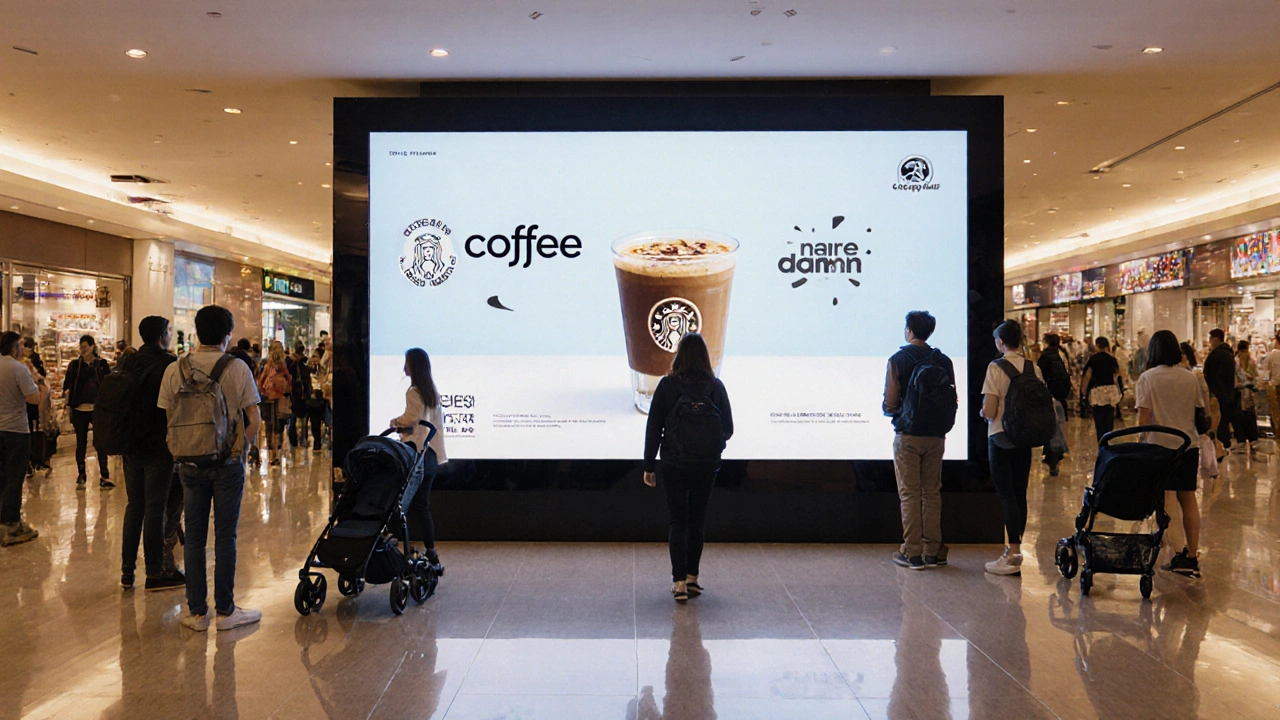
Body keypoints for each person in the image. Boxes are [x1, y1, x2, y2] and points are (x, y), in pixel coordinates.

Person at [158, 305, 263, 631]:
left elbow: (169, 418)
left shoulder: (175, 369)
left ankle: (196, 612)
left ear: (197, 331)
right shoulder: (237, 368)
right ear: (227, 334)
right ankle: (227, 611)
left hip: (189, 463)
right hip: (228, 464)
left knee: (194, 538)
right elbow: (255, 419)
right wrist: (240, 448)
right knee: (225, 537)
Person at [642, 333, 734, 602]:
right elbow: (727, 430)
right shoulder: (716, 387)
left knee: (677, 521)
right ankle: (693, 577)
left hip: (673, 464)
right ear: (705, 357)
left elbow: (654, 428)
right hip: (706, 465)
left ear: (678, 355)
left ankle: (679, 582)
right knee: (697, 520)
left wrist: (649, 464)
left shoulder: (667, 386)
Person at [882, 311, 955, 570]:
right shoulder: (944, 361)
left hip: (908, 436)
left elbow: (890, 403)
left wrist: (894, 408)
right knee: (931, 493)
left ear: (909, 330)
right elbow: (952, 399)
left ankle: (912, 553)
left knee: (909, 494)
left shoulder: (898, 359)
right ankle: (932, 551)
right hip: (936, 436)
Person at [119, 316, 185, 591]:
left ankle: (126, 572)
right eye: (169, 331)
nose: (171, 335)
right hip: (158, 445)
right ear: (161, 336)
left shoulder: (129, 362)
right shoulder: (169, 364)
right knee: (155, 508)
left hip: (130, 445)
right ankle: (155, 572)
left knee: (135, 506)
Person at [1136, 330, 1204, 579]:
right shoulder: (1190, 378)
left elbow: (1144, 420)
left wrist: (1139, 446)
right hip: (1188, 445)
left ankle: (1178, 552)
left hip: (1159, 448)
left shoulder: (1147, 378)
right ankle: (1193, 555)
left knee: (1166, 500)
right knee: (1188, 499)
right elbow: (1198, 412)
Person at [980, 320, 1044, 576]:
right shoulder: (1033, 368)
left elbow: (991, 410)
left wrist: (983, 412)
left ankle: (1013, 552)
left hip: (1000, 437)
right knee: (1020, 493)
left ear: (1000, 342)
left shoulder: (995, 368)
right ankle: (1015, 549)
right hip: (1025, 437)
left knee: (1006, 493)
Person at [390, 348, 448, 574]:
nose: (404, 368)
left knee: (400, 504)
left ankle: (397, 545)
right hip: (432, 455)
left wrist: (395, 422)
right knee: (422, 506)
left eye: (406, 363)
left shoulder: (413, 391)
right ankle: (431, 551)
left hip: (416, 455)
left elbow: (412, 419)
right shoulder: (431, 391)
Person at [0, 332, 43, 546]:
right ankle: (12, 524)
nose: (22, 349)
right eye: (20, 345)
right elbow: (33, 398)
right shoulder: (18, 368)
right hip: (16, 430)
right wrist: (41, 383)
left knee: (1, 476)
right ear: (13, 347)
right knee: (14, 478)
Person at [64, 334, 113, 488]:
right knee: (81, 442)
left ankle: (104, 475)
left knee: (100, 441)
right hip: (79, 408)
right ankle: (81, 474)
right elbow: (67, 385)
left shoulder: (101, 364)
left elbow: (108, 385)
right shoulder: (75, 365)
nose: (83, 350)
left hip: (97, 408)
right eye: (81, 347)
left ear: (92, 346)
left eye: (85, 347)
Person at [1036, 333, 1072, 475]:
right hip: (1061, 397)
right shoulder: (1062, 354)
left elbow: (1038, 377)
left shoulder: (1045, 357)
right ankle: (1055, 455)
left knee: (1051, 430)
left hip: (1049, 397)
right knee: (1057, 428)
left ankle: (1053, 457)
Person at [1203, 329, 1243, 453]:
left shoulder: (1215, 355)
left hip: (1218, 392)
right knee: (1228, 417)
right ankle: (1230, 442)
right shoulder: (1229, 353)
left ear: (1215, 339)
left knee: (1220, 420)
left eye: (1210, 339)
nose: (1210, 342)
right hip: (1229, 391)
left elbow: (1208, 375)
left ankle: (1223, 445)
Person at [255, 341, 292, 466]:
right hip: (279, 399)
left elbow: (261, 380)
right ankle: (277, 453)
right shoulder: (282, 365)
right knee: (279, 426)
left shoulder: (267, 364)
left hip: (268, 399)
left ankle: (273, 453)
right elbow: (289, 380)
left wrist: (263, 391)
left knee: (270, 426)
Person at [1082, 337, 1122, 442]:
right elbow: (1117, 375)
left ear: (1098, 345)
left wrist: (1084, 391)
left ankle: (1101, 441)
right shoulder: (1112, 359)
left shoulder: (1093, 359)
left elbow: (1087, 376)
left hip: (1098, 392)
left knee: (1099, 419)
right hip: (1110, 391)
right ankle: (1108, 440)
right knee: (1109, 418)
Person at [1235, 340, 1260, 456]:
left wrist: (1253, 383)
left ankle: (1253, 439)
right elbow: (1235, 379)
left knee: (1250, 416)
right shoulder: (1235, 363)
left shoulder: (1251, 362)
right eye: (1243, 351)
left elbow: (1257, 377)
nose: (1245, 354)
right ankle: (1242, 441)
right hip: (1239, 394)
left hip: (1249, 394)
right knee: (1240, 417)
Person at [286, 343, 313, 450]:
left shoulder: (290, 361)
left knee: (293, 416)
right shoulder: (302, 364)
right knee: (304, 418)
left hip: (294, 392)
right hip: (302, 392)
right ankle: (303, 439)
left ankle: (293, 440)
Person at [1264, 334, 1280, 439]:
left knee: (1276, 412)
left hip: (1275, 386)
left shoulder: (1272, 355)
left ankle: (1278, 434)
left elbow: (1266, 372)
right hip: (1275, 386)